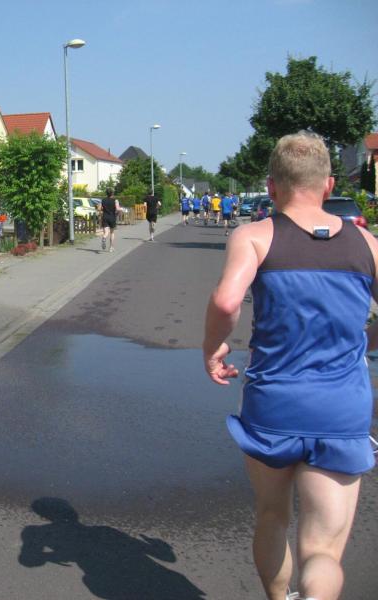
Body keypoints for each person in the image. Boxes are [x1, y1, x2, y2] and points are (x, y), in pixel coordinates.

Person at [203, 131, 378, 600]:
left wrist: (212, 348)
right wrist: (365, 341)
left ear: (272, 186)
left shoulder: (255, 236)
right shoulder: (367, 244)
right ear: (329, 185)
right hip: (341, 409)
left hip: (273, 405)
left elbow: (226, 301)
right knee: (323, 551)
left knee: (272, 515)